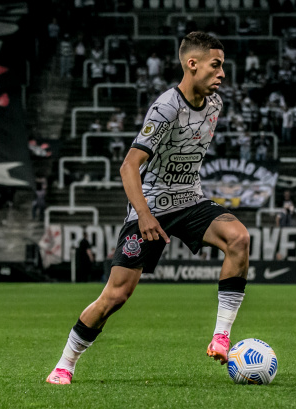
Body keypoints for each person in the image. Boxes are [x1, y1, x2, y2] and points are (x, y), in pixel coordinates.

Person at [46, 32, 250, 384]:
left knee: (239, 238)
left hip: (190, 199)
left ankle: (221, 337)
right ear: (192, 64)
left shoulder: (214, 105)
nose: (222, 74)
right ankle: (65, 363)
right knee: (116, 295)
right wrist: (144, 215)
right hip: (151, 206)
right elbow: (128, 166)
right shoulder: (166, 107)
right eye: (216, 65)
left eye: (223, 66)